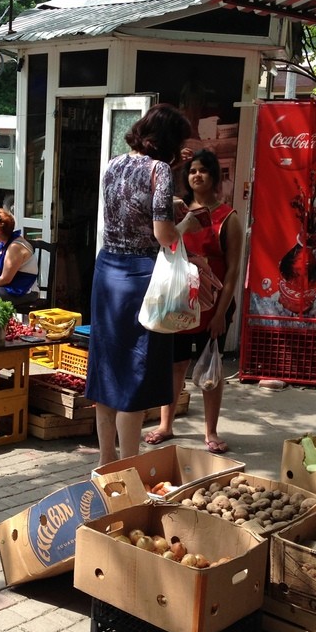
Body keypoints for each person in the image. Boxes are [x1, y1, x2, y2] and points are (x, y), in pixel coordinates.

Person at [85, 102, 203, 467]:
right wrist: (189, 224)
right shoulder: (160, 172)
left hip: (107, 273)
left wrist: (173, 173)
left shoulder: (113, 164)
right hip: (141, 278)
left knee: (107, 371)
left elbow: (129, 205)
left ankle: (105, 464)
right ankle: (128, 469)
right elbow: (163, 235)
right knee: (134, 377)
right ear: (168, 140)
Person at [144, 149, 243, 454]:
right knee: (174, 367)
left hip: (212, 306)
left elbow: (233, 271)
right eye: (192, 171)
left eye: (203, 170)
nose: (196, 175)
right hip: (177, 303)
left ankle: (210, 433)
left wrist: (220, 314)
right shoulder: (178, 214)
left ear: (214, 177)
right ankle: (165, 425)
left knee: (210, 372)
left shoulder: (228, 217)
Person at [0, 208, 39, 308]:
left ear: (3, 231)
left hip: (24, 290)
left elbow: (6, 279)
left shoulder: (15, 247)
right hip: (8, 287)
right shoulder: (5, 243)